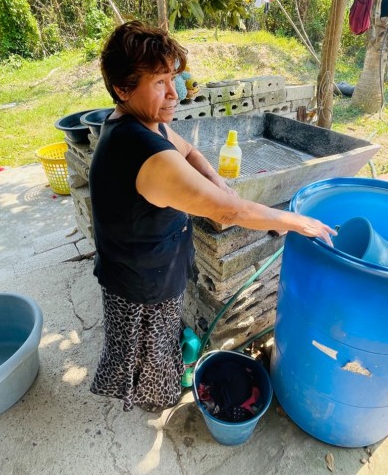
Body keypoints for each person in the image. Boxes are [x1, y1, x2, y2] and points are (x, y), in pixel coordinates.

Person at [88, 21, 335, 412]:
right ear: (122, 88)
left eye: (174, 77)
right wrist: (295, 221)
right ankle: (154, 398)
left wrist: (220, 182)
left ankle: (157, 380)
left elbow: (189, 150)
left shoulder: (141, 123)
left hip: (144, 263)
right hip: (139, 280)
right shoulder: (142, 152)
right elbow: (229, 212)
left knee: (158, 338)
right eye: (158, 83)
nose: (175, 93)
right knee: (144, 347)